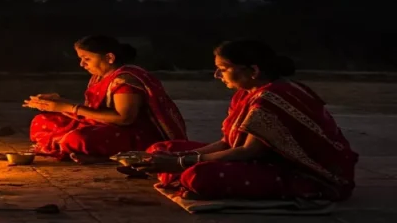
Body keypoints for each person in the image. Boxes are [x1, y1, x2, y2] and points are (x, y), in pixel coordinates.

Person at [137, 40, 358, 202]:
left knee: (197, 176)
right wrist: (176, 157)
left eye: (223, 69)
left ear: (253, 70)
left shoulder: (274, 97)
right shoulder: (246, 93)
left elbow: (249, 152)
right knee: (161, 149)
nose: (217, 75)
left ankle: (181, 174)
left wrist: (179, 163)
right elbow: (227, 142)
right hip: (251, 160)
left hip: (298, 171)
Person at [24, 35, 187, 162]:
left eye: (87, 59)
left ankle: (101, 156)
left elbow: (124, 119)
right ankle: (84, 152)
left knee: (77, 138)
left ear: (109, 58)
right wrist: (57, 103)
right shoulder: (99, 76)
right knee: (42, 121)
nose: (82, 64)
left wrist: (68, 107)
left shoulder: (124, 79)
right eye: (80, 58)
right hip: (105, 126)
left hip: (133, 133)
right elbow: (95, 111)